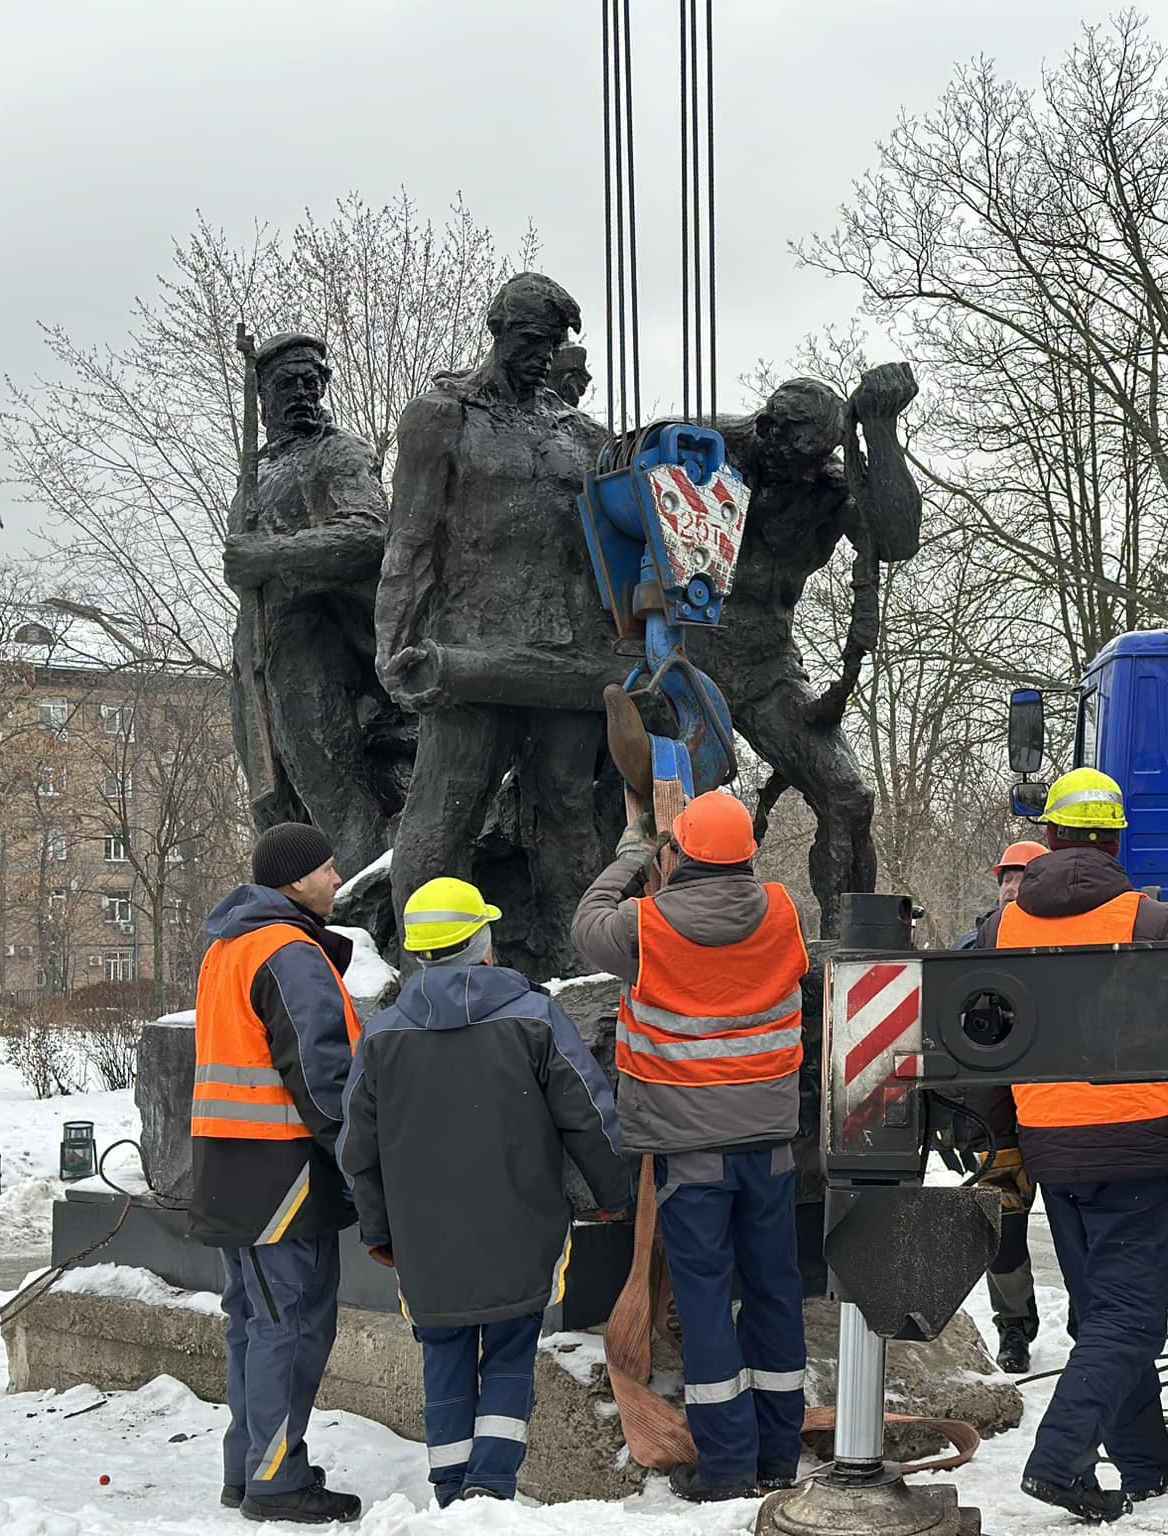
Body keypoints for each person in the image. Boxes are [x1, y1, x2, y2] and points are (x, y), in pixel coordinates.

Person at [969, 769, 1168, 1524]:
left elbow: (978, 1044)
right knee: (1129, 1322)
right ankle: (1059, 1462)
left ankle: (1144, 1465)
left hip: (1051, 1151)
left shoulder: (1001, 928)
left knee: (1104, 1315)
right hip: (1133, 1154)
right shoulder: (1153, 923)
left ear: (1047, 837)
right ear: (1113, 839)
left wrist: (1003, 1144)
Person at [337, 877, 634, 1508]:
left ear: (418, 952)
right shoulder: (535, 1017)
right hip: (519, 1231)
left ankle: (450, 1491)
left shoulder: (383, 1036)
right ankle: (490, 1488)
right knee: (508, 1351)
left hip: (425, 1244)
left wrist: (378, 1230)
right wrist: (614, 1193)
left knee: (442, 1353)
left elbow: (356, 1149)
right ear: (484, 943)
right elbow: (587, 1111)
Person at [376, 272, 626, 980]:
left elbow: (615, 542)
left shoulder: (582, 434)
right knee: (443, 813)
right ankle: (427, 978)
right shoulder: (440, 415)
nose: (542, 357)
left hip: (569, 657)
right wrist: (394, 640)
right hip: (471, 652)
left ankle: (581, 978)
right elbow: (410, 538)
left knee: (571, 817)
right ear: (497, 330)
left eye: (553, 345)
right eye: (530, 340)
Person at [570, 790, 810, 1503]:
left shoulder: (643, 928)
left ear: (679, 854)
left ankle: (729, 1464)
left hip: (688, 1150)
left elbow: (586, 923)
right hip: (769, 1143)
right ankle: (778, 1456)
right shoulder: (782, 912)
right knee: (775, 1293)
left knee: (706, 1301)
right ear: (748, 856)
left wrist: (630, 857)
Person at [686, 366, 921, 931]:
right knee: (671, 814)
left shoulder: (827, 484)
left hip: (768, 666)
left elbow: (898, 540)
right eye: (800, 457)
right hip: (683, 659)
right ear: (767, 431)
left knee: (848, 797)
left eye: (822, 457)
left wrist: (882, 432)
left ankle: (846, 952)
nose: (810, 472)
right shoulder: (701, 451)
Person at [190, 823, 363, 1525]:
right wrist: (362, 1161)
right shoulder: (288, 951)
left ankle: (251, 1467)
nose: (337, 878)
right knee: (289, 1327)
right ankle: (275, 1482)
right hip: (282, 1169)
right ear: (295, 881)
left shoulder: (228, 946)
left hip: (235, 1166)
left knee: (255, 1324)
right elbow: (323, 1080)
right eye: (327, 867)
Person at [222, 333, 403, 876]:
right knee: (277, 807)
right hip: (258, 659)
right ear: (263, 395)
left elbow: (368, 534)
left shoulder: (338, 452)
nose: (303, 393)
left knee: (334, 795)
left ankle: (366, 920)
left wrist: (270, 555)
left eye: (312, 382)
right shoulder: (258, 469)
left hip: (318, 647)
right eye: (286, 384)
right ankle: (306, 917)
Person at [954, 840, 1049, 1372]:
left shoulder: (1062, 948)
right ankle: (1014, 1330)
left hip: (1059, 1116)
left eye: (1022, 876)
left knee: (1078, 1231)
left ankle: (1090, 1329)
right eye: (1006, 878)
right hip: (999, 1125)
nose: (1011, 886)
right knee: (1005, 1236)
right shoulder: (975, 948)